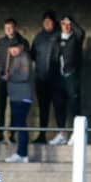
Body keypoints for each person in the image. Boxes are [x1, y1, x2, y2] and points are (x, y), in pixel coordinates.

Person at [0, 19, 30, 143]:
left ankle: (12, 135)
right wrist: (0, 73)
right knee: (1, 107)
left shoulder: (23, 42)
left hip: (16, 82)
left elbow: (27, 62)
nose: (8, 30)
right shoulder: (1, 42)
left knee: (15, 108)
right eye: (6, 28)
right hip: (2, 80)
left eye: (11, 27)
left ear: (15, 28)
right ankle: (0, 134)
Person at [50, 15, 85, 146]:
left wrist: (72, 22)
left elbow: (81, 33)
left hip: (71, 76)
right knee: (59, 105)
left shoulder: (75, 38)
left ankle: (77, 133)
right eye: (64, 23)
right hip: (58, 77)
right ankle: (62, 134)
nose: (66, 26)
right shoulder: (57, 39)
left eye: (68, 24)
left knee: (74, 105)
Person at [30, 11, 62, 144]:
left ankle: (62, 135)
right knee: (43, 108)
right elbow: (32, 55)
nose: (47, 24)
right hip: (41, 79)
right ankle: (42, 135)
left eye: (50, 21)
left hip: (57, 79)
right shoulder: (38, 37)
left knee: (59, 107)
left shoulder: (60, 36)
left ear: (55, 22)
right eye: (45, 21)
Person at [4, 39, 33, 163]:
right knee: (19, 124)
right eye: (11, 48)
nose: (13, 50)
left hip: (23, 97)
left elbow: (25, 76)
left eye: (15, 47)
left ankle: (22, 154)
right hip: (16, 96)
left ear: (21, 47)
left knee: (21, 125)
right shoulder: (14, 59)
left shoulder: (24, 57)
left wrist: (10, 77)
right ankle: (21, 153)